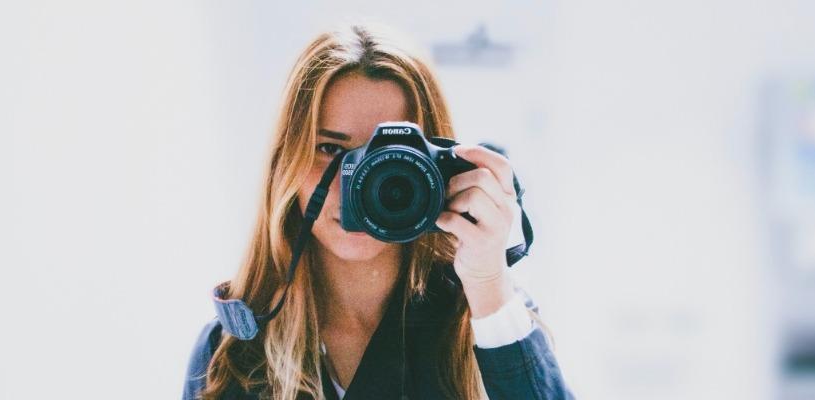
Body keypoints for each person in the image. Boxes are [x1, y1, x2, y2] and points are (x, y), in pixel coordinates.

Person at [183, 23, 574, 400]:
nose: (358, 184)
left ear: (433, 168)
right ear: (285, 162)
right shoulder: (233, 351)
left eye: (385, 160)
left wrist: (489, 286)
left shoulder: (486, 321)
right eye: (331, 150)